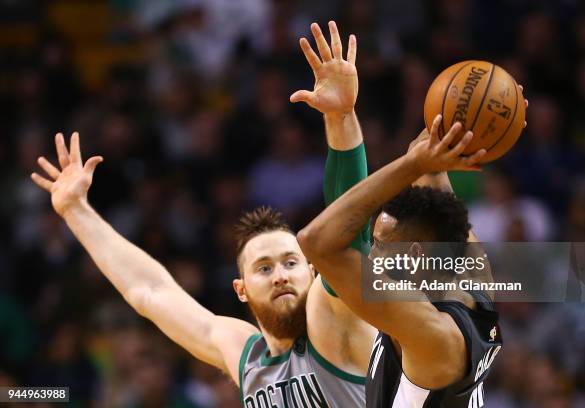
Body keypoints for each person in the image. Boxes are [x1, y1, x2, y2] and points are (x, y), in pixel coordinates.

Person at [30, 22, 377, 407]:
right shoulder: (244, 353)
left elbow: (349, 229)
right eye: (263, 268)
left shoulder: (338, 322)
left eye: (290, 262)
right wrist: (76, 211)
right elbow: (151, 292)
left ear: (311, 272)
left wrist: (341, 117)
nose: (280, 275)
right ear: (240, 289)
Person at [297, 114, 507, 407]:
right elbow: (426, 148)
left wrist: (412, 166)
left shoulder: (428, 331)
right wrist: (481, 110)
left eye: (380, 245)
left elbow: (315, 242)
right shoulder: (473, 277)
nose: (372, 254)